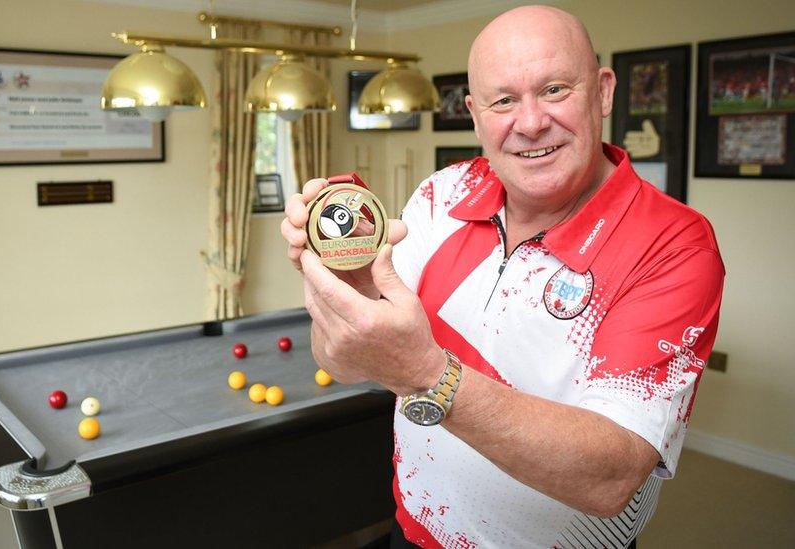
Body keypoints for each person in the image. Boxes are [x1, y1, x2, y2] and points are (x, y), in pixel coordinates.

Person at [280, 5, 724, 548]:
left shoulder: (673, 244)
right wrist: (344, 286)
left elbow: (611, 477)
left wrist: (427, 373)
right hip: (414, 530)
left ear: (603, 92)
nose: (531, 121)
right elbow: (339, 363)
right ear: (474, 113)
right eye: (504, 100)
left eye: (555, 89)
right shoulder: (442, 194)